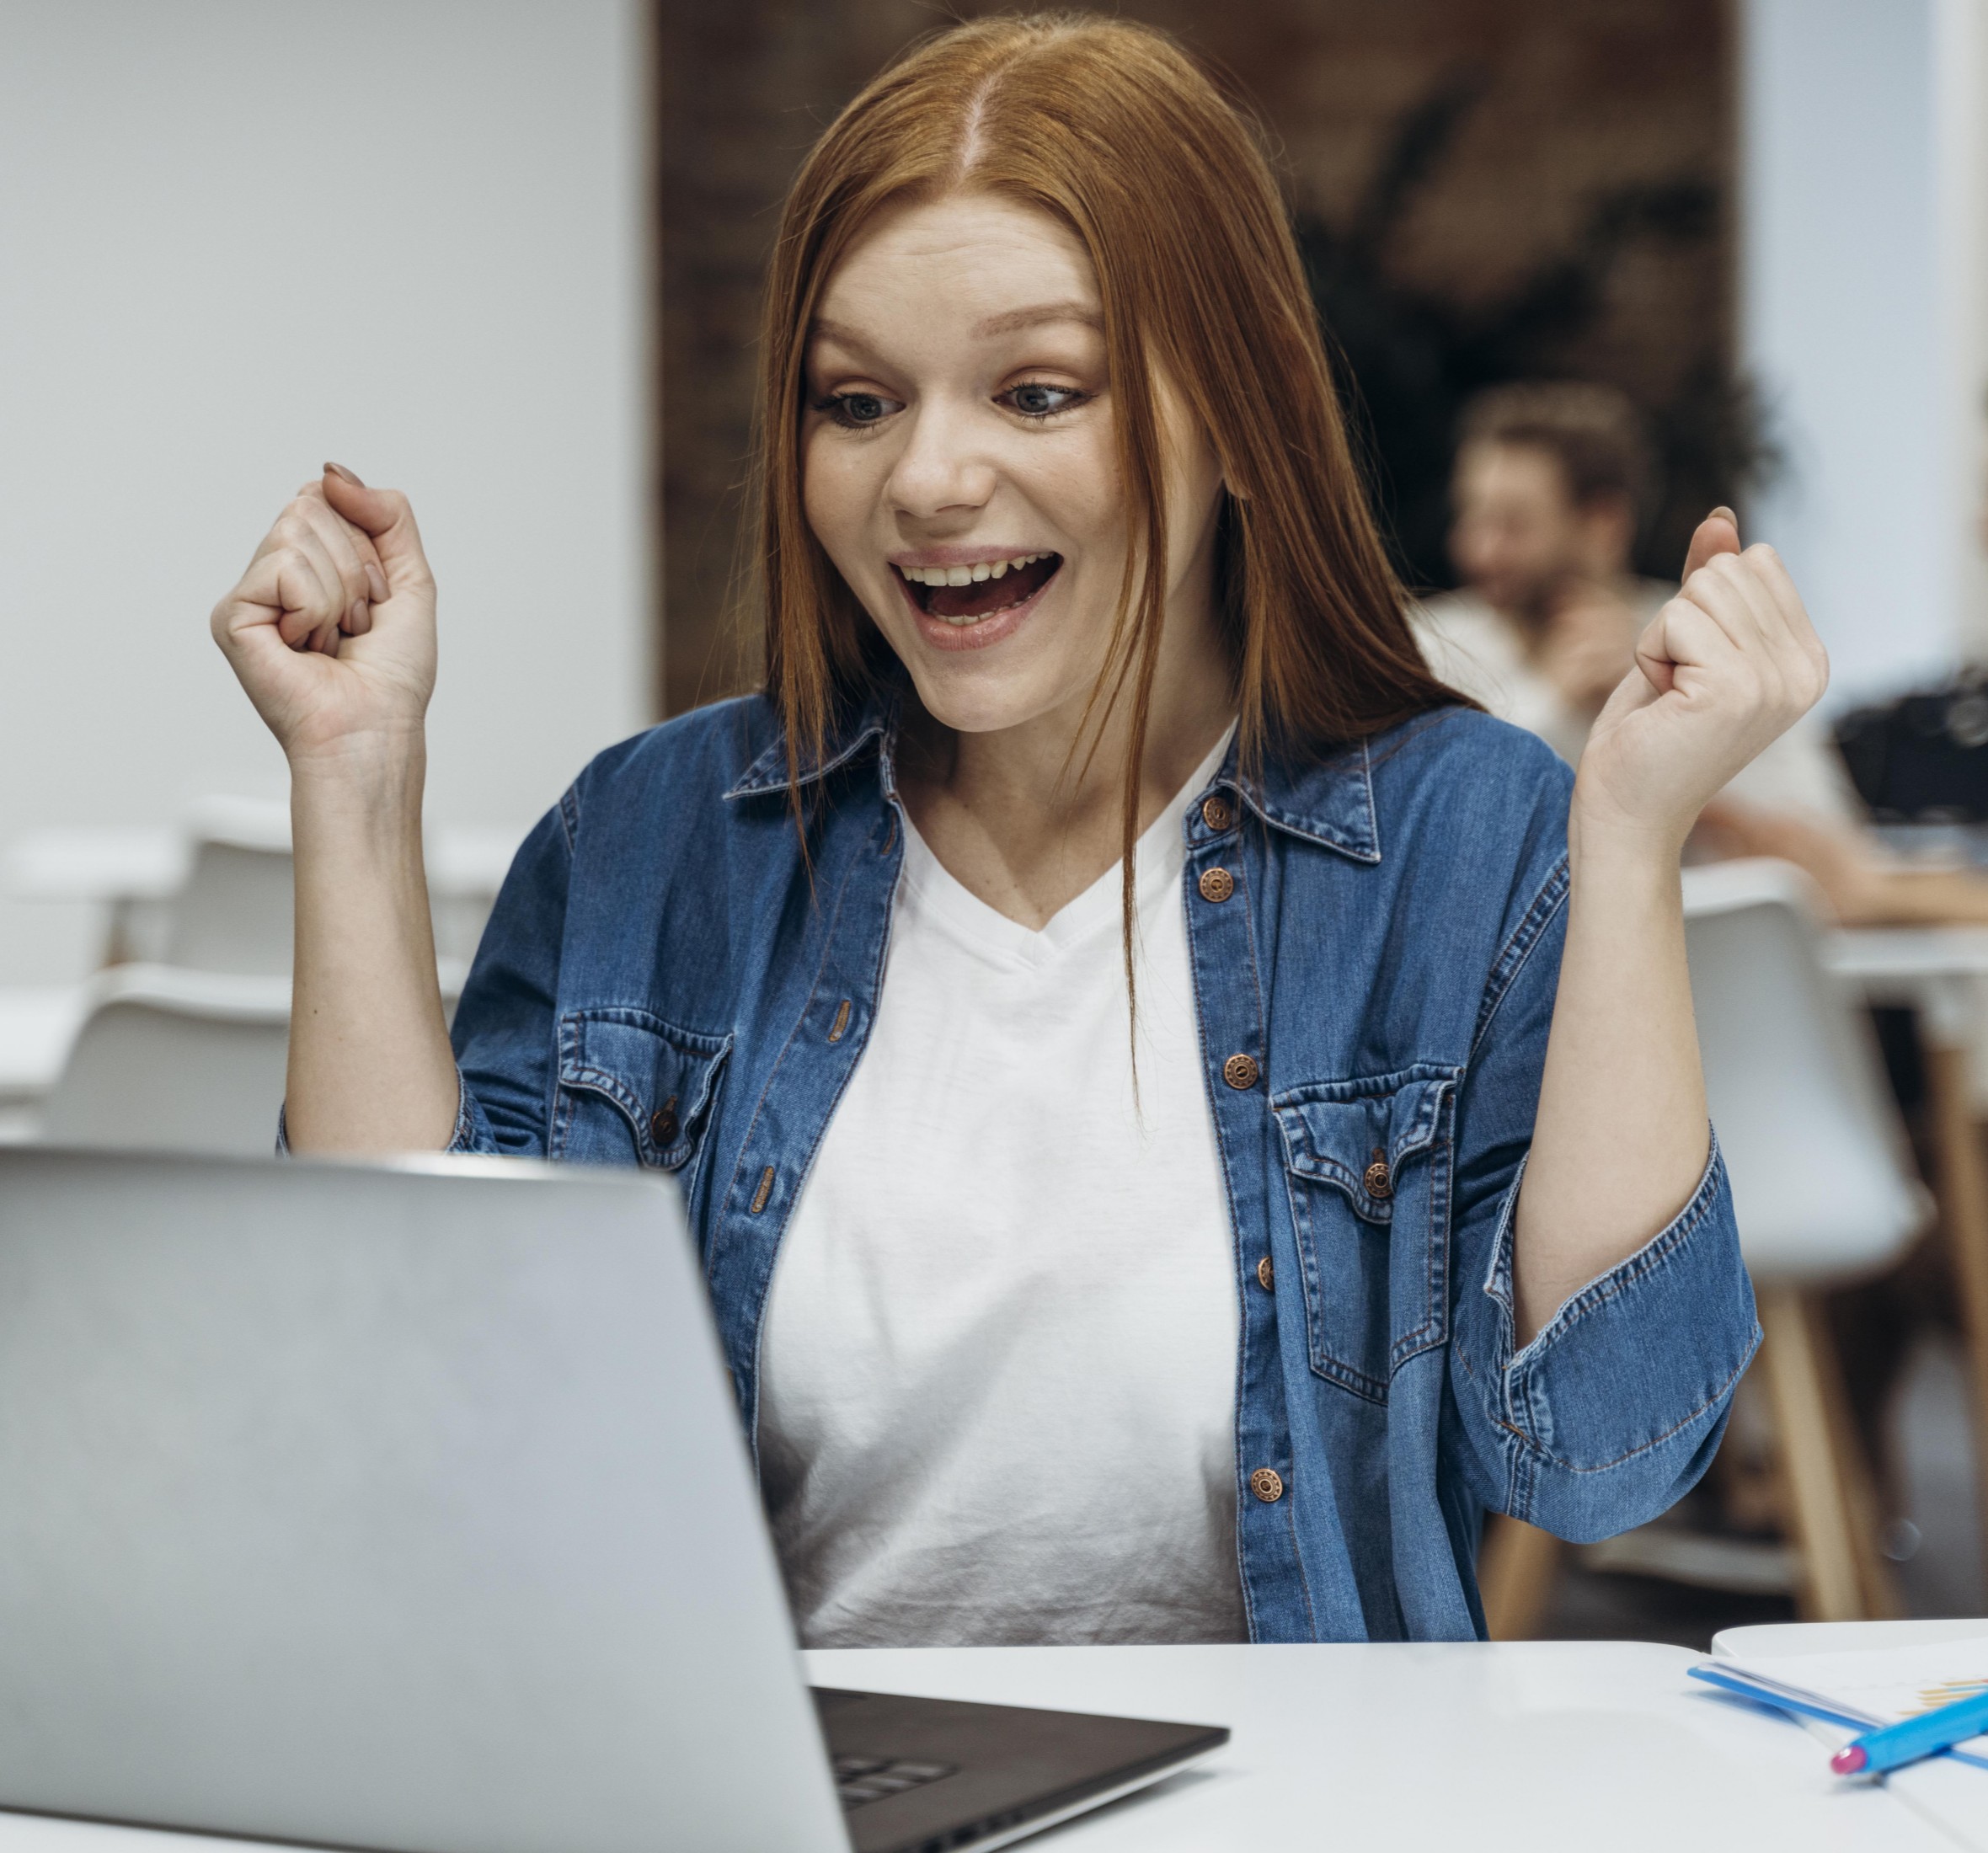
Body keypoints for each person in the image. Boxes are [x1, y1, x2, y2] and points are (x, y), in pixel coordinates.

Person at [211, 16, 1823, 1647]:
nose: (926, 477)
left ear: (1243, 409)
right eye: (855, 400)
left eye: (1035, 390)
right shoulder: (657, 839)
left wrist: (1628, 837)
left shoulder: (1461, 835)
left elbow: (1602, 1457)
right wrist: (351, 784)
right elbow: (418, 1415)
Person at [1419, 382, 1988, 927]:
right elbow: (1426, 839)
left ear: (1602, 524)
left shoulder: (1700, 634)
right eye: (1471, 517)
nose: (1478, 549)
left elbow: (1826, 848)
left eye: (1512, 525)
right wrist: (1552, 703)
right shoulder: (1428, 648)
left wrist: (1682, 719)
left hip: (1710, 989)